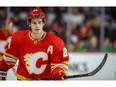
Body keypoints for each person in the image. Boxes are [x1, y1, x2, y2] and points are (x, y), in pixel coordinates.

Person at [0, 8, 69, 80]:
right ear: (29, 23)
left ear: (43, 23)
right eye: (34, 23)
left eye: (39, 22)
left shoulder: (56, 42)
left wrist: (58, 72)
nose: (37, 26)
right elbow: (7, 62)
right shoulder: (18, 38)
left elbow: (61, 64)